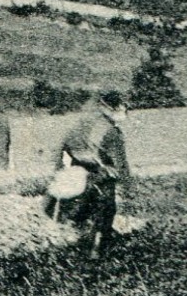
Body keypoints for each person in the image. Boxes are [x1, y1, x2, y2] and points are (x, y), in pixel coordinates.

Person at [57, 91, 132, 256]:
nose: (126, 112)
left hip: (78, 174)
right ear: (116, 107)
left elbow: (66, 147)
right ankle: (96, 252)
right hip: (101, 176)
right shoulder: (112, 132)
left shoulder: (85, 123)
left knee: (83, 211)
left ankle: (75, 247)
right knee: (105, 212)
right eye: (125, 107)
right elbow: (121, 165)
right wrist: (127, 190)